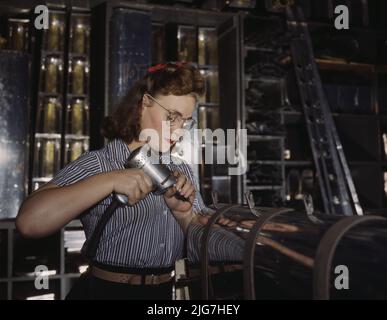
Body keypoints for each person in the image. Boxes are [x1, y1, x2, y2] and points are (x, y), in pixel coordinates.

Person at [16, 62, 209, 300]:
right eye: (172, 116)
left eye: (186, 121)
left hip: (162, 294)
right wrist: (109, 181)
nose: (178, 130)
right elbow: (29, 222)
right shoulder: (101, 163)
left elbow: (206, 250)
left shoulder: (182, 171)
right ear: (144, 103)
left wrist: (184, 216)